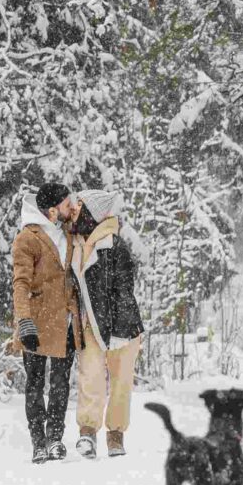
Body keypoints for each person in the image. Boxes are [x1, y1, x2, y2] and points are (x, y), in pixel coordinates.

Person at [67, 190, 145, 458]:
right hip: (91, 324)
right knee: (90, 378)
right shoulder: (74, 243)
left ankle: (115, 435)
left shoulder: (115, 246)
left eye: (79, 207)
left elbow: (124, 291)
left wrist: (119, 332)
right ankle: (87, 433)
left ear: (92, 213)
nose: (74, 211)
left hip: (122, 327)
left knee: (121, 381)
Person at [11, 181, 81, 462]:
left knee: (61, 383)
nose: (71, 207)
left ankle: (55, 438)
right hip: (37, 323)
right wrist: (24, 321)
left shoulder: (68, 233)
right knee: (35, 383)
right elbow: (20, 283)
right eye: (66, 204)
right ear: (52, 210)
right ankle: (38, 441)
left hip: (65, 321)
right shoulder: (27, 238)